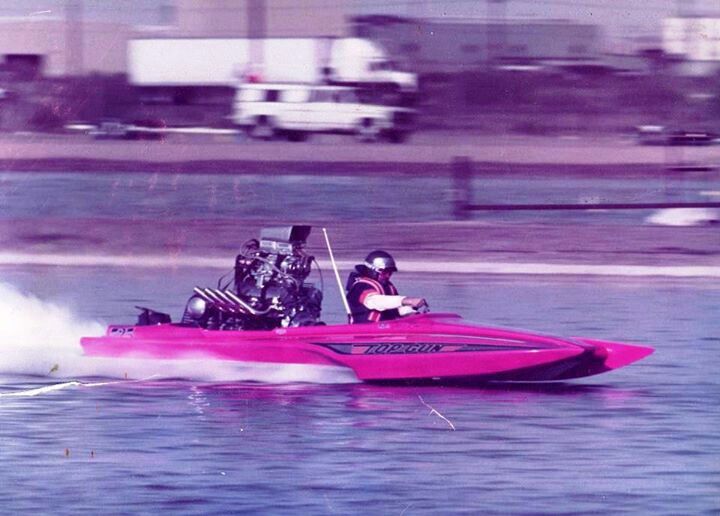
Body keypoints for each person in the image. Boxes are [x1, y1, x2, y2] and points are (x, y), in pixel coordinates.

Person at [345, 250, 427, 324]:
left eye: (390, 273)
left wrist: (412, 314)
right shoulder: (360, 286)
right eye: (384, 272)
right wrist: (405, 300)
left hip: (386, 330)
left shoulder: (388, 287)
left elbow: (397, 308)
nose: (388, 276)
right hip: (365, 333)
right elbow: (375, 301)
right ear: (372, 270)